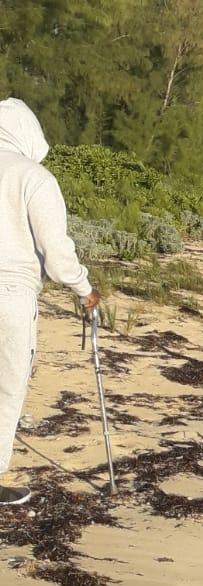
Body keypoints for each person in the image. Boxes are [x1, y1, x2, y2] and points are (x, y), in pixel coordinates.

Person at [0, 99, 99, 507]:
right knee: (6, 386)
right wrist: (85, 289)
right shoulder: (34, 177)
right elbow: (57, 257)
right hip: (11, 295)